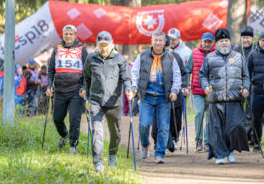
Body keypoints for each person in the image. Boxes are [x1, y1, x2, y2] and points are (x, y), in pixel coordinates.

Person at [199, 28, 250, 164]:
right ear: (217, 43)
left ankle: (231, 150)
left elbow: (246, 76)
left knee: (235, 126)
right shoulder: (209, 58)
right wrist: (205, 87)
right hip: (216, 98)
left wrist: (246, 88)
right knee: (217, 128)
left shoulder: (239, 57)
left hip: (235, 98)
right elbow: (202, 75)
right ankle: (221, 154)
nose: (224, 43)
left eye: (226, 40)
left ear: (230, 41)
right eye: (221, 41)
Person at [83, 31, 132, 172]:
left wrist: (128, 89)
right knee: (97, 132)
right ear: (97, 45)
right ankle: (98, 162)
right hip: (96, 101)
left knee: (115, 133)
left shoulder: (120, 60)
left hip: (114, 102)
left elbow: (126, 78)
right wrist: (87, 96)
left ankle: (112, 154)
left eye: (106, 45)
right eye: (100, 45)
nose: (103, 48)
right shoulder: (91, 59)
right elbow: (86, 78)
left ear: (112, 45)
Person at [131, 31, 182, 164]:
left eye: (161, 40)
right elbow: (134, 73)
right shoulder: (142, 56)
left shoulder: (171, 58)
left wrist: (175, 91)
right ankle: (145, 144)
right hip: (146, 97)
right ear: (152, 41)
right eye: (156, 40)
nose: (158, 43)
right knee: (143, 125)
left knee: (164, 127)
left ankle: (159, 153)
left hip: (163, 98)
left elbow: (177, 77)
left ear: (165, 42)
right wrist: (134, 87)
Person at [46, 25, 88, 154]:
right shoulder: (56, 50)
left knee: (74, 119)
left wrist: (85, 87)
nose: (68, 36)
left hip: (76, 91)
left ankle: (73, 145)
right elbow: (51, 70)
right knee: (57, 118)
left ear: (75, 35)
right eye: (66, 34)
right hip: (59, 90)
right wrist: (49, 86)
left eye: (71, 34)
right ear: (63, 35)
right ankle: (65, 135)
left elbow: (87, 72)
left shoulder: (82, 50)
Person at [151, 35, 188, 152]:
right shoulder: (152, 57)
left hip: (175, 95)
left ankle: (174, 138)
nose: (165, 48)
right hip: (159, 95)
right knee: (158, 121)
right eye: (164, 45)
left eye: (167, 46)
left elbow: (183, 74)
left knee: (175, 120)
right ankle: (159, 142)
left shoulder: (176, 57)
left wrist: (184, 87)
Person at [186, 32, 215, 152]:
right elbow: (187, 70)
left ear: (212, 42)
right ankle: (198, 140)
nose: (207, 44)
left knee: (209, 115)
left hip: (212, 90)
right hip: (197, 90)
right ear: (201, 42)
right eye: (205, 41)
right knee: (199, 113)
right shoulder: (194, 53)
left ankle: (207, 142)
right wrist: (187, 84)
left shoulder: (216, 53)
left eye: (209, 42)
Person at [233, 26, 255, 144]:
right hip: (238, 86)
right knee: (239, 112)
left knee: (251, 112)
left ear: (252, 38)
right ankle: (242, 136)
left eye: (248, 38)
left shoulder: (256, 49)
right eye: (243, 38)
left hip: (253, 85)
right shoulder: (236, 51)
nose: (245, 40)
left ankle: (251, 135)